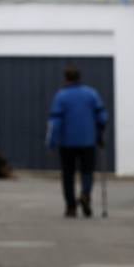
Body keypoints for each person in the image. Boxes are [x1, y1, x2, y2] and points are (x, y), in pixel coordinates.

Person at [47, 65, 109, 218]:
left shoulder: (61, 96)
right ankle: (85, 194)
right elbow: (102, 116)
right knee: (87, 171)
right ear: (79, 77)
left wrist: (52, 141)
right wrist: (100, 133)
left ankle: (71, 207)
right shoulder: (91, 94)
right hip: (88, 141)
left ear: (66, 78)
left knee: (68, 174)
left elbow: (55, 121)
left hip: (67, 143)